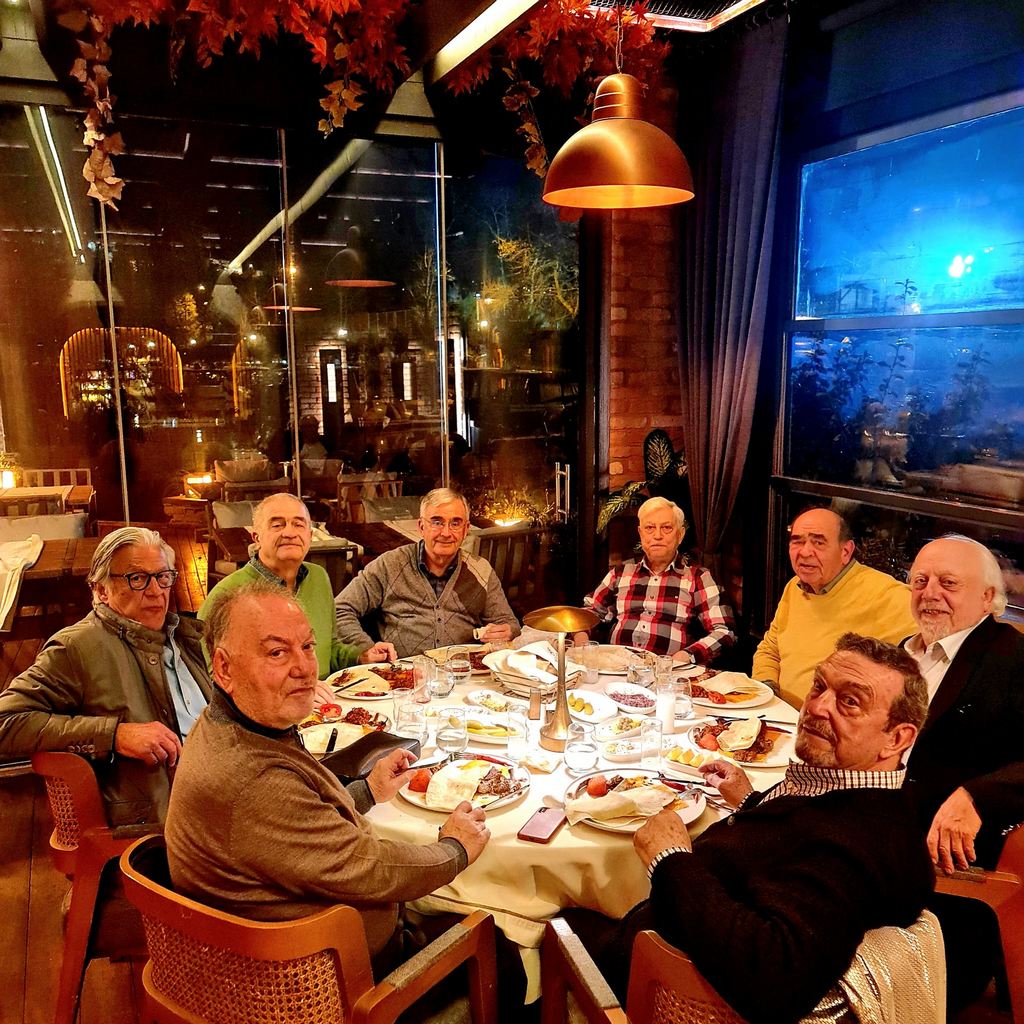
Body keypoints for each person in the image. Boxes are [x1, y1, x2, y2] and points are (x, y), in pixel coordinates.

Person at [564, 633, 934, 1024]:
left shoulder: (853, 844)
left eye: (850, 702)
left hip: (653, 981)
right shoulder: (855, 790)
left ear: (897, 738)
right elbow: (790, 843)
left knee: (547, 923)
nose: (817, 706)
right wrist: (751, 802)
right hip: (666, 927)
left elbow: (774, 977)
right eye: (819, 686)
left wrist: (670, 861)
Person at [166, 582, 490, 971]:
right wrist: (455, 849)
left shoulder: (230, 723)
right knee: (499, 946)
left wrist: (368, 790)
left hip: (304, 937)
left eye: (306, 646)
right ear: (224, 668)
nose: (304, 668)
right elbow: (369, 868)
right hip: (324, 977)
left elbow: (297, 826)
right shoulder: (253, 779)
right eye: (276, 652)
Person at [0, 527, 212, 826]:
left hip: (225, 790)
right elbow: (5, 723)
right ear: (101, 590)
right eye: (137, 578)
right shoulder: (78, 647)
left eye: (163, 576)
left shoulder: (187, 636)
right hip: (163, 820)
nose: (156, 591)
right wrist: (114, 735)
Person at [902, 535, 1024, 1010]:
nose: (930, 592)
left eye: (948, 583)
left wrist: (976, 795)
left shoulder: (1012, 658)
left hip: (948, 879)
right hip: (869, 840)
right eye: (920, 581)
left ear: (988, 597)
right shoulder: (899, 653)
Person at [200, 492, 394, 680]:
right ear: (256, 537)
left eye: (298, 524)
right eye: (277, 525)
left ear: (309, 536)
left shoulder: (318, 577)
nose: (289, 533)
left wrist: (361, 656)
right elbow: (210, 675)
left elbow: (330, 649)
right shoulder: (229, 593)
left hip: (328, 698)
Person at [752, 507, 916, 705]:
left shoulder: (887, 595)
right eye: (797, 541)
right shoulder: (794, 587)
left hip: (831, 721)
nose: (805, 552)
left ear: (845, 551)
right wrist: (767, 691)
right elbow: (770, 649)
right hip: (779, 713)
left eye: (818, 542)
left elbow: (925, 664)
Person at [335, 488, 520, 659]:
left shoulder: (480, 569)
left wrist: (507, 631)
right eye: (437, 522)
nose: (446, 533)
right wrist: (365, 649)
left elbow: (509, 622)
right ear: (421, 526)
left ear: (466, 529)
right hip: (403, 675)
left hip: (465, 673)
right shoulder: (389, 565)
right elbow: (339, 609)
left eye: (455, 523)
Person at [574, 497, 735, 665]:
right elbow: (589, 612)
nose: (657, 535)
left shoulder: (698, 577)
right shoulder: (621, 573)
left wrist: (687, 656)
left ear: (680, 535)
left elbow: (724, 632)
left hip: (667, 672)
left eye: (666, 528)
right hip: (616, 668)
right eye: (650, 528)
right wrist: (581, 638)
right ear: (641, 533)